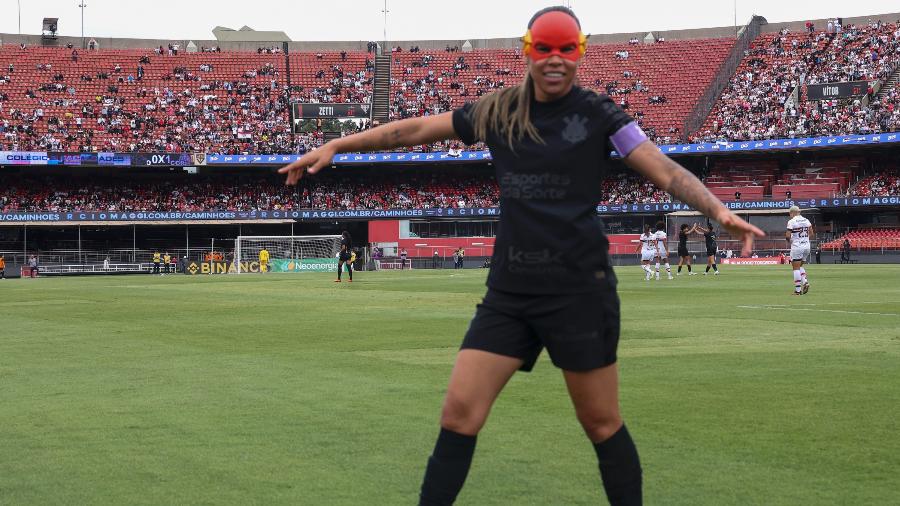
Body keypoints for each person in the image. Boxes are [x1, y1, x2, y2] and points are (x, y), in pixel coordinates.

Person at [278, 7, 762, 504]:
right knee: (459, 413)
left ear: (580, 51)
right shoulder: (498, 110)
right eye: (545, 48)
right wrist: (338, 143)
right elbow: (418, 128)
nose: (556, 59)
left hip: (579, 292)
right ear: (528, 49)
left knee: (600, 421)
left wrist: (717, 209)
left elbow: (660, 167)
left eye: (567, 48)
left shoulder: (599, 113)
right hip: (510, 293)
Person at [786, 206, 813, 295]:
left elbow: (787, 236)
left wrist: (791, 241)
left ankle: (797, 290)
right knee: (800, 266)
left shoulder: (792, 221)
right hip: (807, 246)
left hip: (797, 246)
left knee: (795, 268)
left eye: (790, 213)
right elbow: (811, 233)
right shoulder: (806, 220)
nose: (790, 215)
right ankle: (805, 282)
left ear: (793, 213)